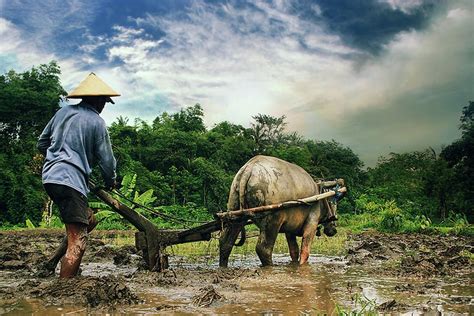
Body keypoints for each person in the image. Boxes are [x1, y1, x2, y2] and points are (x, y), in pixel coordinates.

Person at [37, 72, 119, 278]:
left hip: (50, 178)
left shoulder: (62, 113)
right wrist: (111, 181)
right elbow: (107, 161)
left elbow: (42, 144)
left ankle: (51, 262)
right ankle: (64, 291)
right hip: (70, 182)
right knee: (79, 242)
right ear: (99, 100)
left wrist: (57, 160)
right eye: (104, 102)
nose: (104, 106)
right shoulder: (97, 122)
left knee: (88, 221)